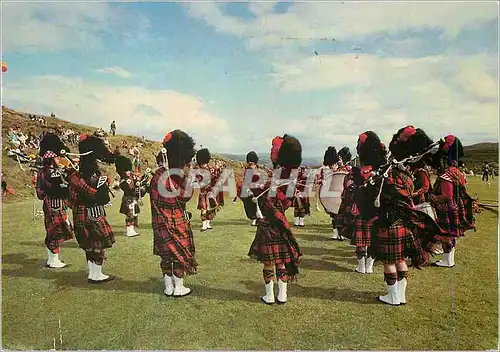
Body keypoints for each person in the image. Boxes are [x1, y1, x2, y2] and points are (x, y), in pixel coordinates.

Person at [375, 126, 441, 305]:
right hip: (404, 223)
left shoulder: (391, 176)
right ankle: (400, 296)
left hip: (389, 222)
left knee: (389, 261)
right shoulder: (407, 176)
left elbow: (383, 197)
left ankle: (392, 297)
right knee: (401, 259)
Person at [248, 134, 303, 305]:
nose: (272, 150)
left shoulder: (271, 178)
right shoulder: (285, 179)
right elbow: (286, 203)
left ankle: (270, 296)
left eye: (274, 148)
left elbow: (253, 197)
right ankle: (282, 295)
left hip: (267, 225)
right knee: (281, 262)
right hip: (280, 225)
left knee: (268, 263)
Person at [150, 130, 197, 297]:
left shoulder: (157, 175)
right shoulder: (175, 177)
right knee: (177, 257)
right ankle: (179, 287)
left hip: (159, 224)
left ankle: (168, 287)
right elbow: (184, 197)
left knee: (165, 256)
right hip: (176, 222)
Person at [68, 134, 116, 283]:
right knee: (97, 243)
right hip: (92, 212)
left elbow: (71, 199)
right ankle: (96, 275)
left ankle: (92, 273)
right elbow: (95, 196)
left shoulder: (76, 176)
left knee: (89, 244)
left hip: (80, 213)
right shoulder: (90, 176)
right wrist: (102, 185)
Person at [429, 135, 476, 268]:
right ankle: (449, 260)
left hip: (447, 207)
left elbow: (447, 195)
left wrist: (433, 199)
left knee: (446, 235)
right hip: (456, 206)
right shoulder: (458, 172)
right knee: (450, 235)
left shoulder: (447, 175)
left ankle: (448, 261)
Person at [36, 133, 75, 268]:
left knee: (56, 230)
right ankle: (52, 260)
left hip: (56, 204)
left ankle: (53, 259)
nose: (59, 159)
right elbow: (42, 192)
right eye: (57, 156)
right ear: (51, 157)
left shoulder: (48, 171)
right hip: (53, 205)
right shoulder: (48, 172)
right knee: (54, 231)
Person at [350, 132, 387, 274]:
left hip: (361, 207)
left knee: (361, 240)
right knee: (373, 238)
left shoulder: (360, 171)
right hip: (376, 209)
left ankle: (361, 266)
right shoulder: (382, 170)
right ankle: (369, 266)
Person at [115, 155, 141, 237]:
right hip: (128, 198)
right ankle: (129, 230)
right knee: (130, 215)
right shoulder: (125, 179)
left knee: (133, 214)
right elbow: (129, 189)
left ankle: (131, 229)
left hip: (131, 198)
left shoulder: (128, 177)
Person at [196, 148, 221, 231]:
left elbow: (216, 178)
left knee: (210, 209)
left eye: (205, 163)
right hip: (203, 192)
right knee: (204, 209)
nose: (204, 165)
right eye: (203, 163)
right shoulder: (198, 170)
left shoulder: (211, 169)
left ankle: (208, 223)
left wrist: (217, 171)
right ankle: (204, 225)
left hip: (210, 192)